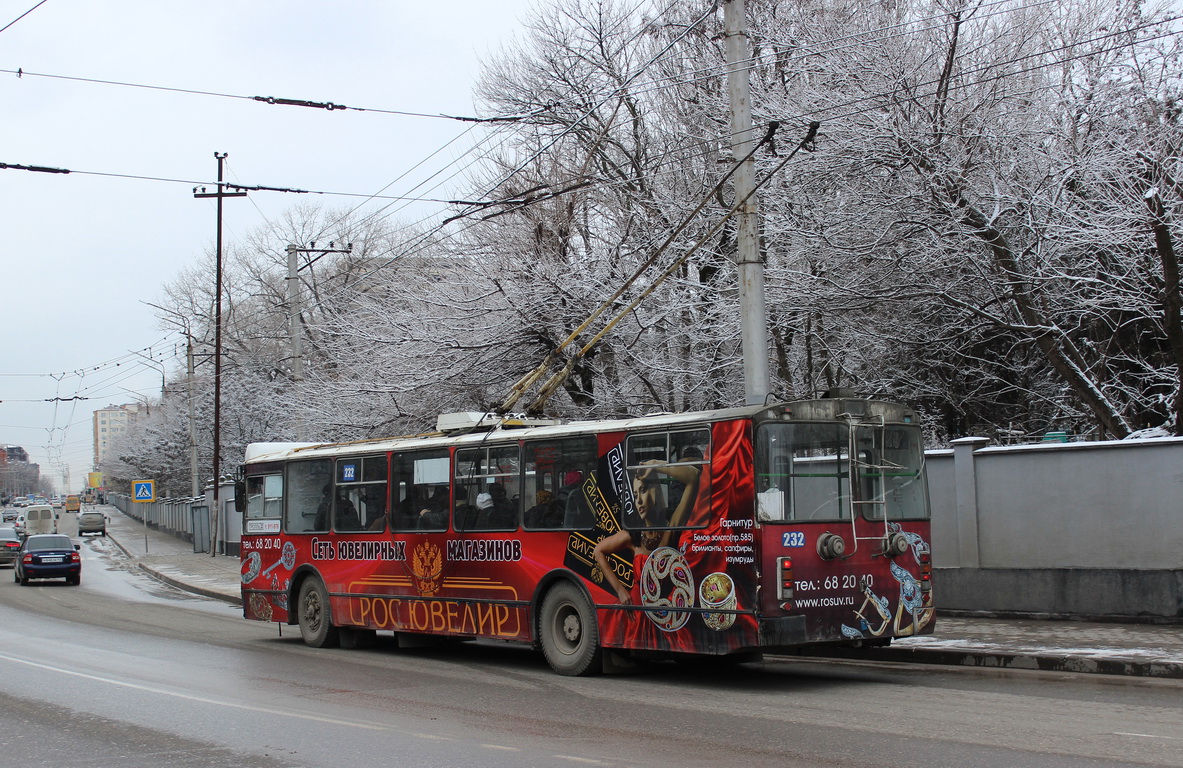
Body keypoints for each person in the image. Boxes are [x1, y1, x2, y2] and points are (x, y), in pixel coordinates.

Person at [592, 459, 700, 605]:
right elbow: (598, 550)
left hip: (666, 613)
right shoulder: (633, 535)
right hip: (637, 612)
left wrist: (655, 464)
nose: (639, 501)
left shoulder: (671, 528)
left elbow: (693, 477)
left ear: (656, 490)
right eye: (635, 496)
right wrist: (620, 590)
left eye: (643, 490)